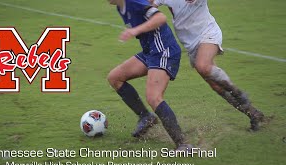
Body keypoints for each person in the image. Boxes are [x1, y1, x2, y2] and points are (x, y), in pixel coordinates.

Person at [149, 0, 265, 131]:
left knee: (202, 66)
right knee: (216, 86)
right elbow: (147, 5)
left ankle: (239, 94)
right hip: (190, 44)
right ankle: (253, 114)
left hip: (207, 33)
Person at [106, 0, 193, 150]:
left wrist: (135, 30)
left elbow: (160, 18)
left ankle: (183, 144)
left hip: (163, 50)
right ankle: (145, 117)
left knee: (153, 97)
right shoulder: (121, 8)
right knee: (115, 77)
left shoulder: (133, 1)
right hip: (150, 52)